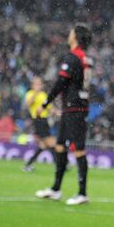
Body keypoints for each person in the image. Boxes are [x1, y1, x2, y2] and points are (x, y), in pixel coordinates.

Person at [35, 25, 93, 206]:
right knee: (60, 146)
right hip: (75, 108)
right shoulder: (86, 58)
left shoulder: (72, 57)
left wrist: (45, 103)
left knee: (78, 149)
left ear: (75, 36)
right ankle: (55, 189)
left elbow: (61, 82)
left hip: (74, 108)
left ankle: (82, 193)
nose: (69, 34)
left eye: (71, 32)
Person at [22, 76, 56, 172]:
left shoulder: (43, 95)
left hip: (44, 120)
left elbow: (49, 107)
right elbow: (28, 104)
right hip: (38, 120)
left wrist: (56, 111)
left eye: (40, 83)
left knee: (43, 145)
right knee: (51, 142)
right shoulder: (30, 94)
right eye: (36, 83)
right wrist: (35, 93)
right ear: (33, 85)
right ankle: (60, 164)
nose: (38, 85)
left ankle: (28, 165)